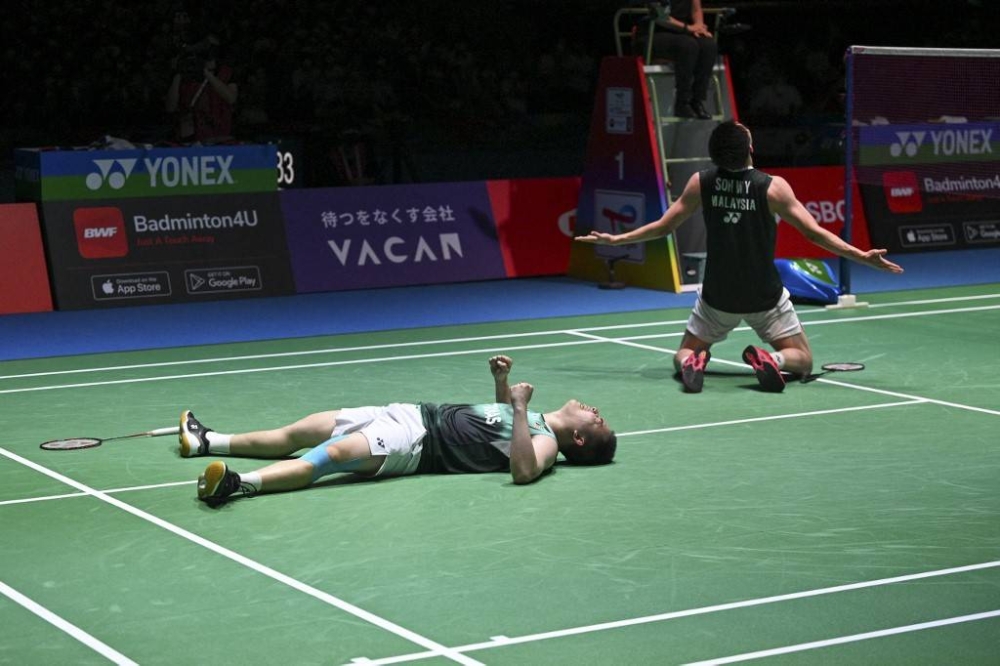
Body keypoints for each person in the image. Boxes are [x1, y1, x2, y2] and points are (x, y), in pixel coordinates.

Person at [576, 121, 904, 393]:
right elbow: (814, 233)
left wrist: (618, 238)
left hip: (718, 296)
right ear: (750, 149)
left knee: (685, 352)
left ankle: (694, 362)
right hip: (764, 295)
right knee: (802, 360)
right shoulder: (773, 187)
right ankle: (771, 360)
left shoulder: (701, 182)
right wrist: (859, 255)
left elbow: (663, 227)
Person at [181, 356, 617, 506]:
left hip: (417, 443)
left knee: (329, 457)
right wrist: (504, 388)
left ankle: (238, 486)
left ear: (577, 440)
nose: (594, 410)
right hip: (408, 413)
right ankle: (209, 441)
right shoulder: (532, 422)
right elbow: (501, 429)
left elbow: (522, 470)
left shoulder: (543, 443)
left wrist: (519, 405)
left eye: (596, 420)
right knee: (301, 431)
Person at [637, 1, 718, 119]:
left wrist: (699, 26)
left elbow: (696, 9)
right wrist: (689, 28)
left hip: (683, 33)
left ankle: (697, 100)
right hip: (654, 32)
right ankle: (682, 102)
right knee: (688, 46)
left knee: (709, 45)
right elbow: (661, 16)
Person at [165, 31, 238, 144]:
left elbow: (231, 98)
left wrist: (205, 72)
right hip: (192, 141)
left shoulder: (226, 73)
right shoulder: (186, 74)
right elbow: (170, 107)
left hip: (220, 139)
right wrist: (178, 73)